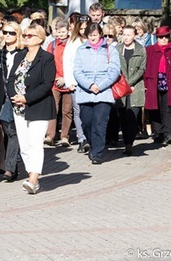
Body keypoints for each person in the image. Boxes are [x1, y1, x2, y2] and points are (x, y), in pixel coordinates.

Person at [6, 23, 55, 194]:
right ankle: (32, 174)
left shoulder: (47, 58)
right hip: (18, 107)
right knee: (25, 145)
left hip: (38, 106)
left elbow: (46, 84)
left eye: (30, 35)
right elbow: (11, 78)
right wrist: (14, 97)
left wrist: (27, 98)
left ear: (40, 38)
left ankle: (33, 179)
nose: (26, 38)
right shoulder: (19, 56)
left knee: (35, 143)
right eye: (25, 35)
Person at [73, 22, 121, 165]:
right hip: (85, 91)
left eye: (95, 35)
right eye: (90, 35)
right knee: (87, 122)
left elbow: (114, 71)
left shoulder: (110, 49)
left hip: (103, 92)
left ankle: (97, 153)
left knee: (99, 123)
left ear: (100, 34)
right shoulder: (81, 50)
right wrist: (89, 85)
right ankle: (92, 144)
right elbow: (77, 71)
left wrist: (100, 85)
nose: (92, 38)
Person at [0, 20, 23, 181]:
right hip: (4, 97)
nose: (8, 35)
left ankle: (11, 167)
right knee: (9, 130)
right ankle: (11, 167)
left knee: (13, 131)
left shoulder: (23, 52)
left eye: (12, 33)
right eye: (5, 32)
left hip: (20, 96)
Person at [144, 25, 171, 145]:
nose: (164, 39)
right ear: (157, 38)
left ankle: (168, 133)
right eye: (161, 37)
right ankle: (158, 133)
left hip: (169, 81)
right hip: (153, 81)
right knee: (154, 107)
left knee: (168, 107)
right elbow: (144, 68)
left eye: (166, 37)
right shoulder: (149, 50)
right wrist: (145, 83)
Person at [116, 25, 147, 155]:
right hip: (120, 87)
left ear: (134, 36)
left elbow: (142, 69)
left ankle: (130, 143)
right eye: (124, 34)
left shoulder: (141, 50)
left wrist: (130, 83)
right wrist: (123, 84)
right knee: (122, 116)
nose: (126, 37)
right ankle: (126, 142)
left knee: (133, 116)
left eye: (129, 35)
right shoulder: (117, 49)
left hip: (135, 87)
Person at [62, 14, 90, 153]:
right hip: (76, 83)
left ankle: (90, 136)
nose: (84, 31)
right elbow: (67, 62)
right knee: (78, 111)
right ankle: (81, 138)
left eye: (86, 28)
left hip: (91, 82)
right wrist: (69, 82)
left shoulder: (93, 40)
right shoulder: (73, 42)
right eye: (81, 28)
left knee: (89, 111)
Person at [45, 19, 73, 147]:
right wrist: (55, 78)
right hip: (55, 82)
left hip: (69, 82)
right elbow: (49, 63)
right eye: (59, 32)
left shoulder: (72, 44)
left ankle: (65, 136)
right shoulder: (52, 45)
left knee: (67, 110)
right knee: (52, 109)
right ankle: (50, 135)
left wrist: (66, 78)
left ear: (68, 31)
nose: (61, 34)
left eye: (63, 32)